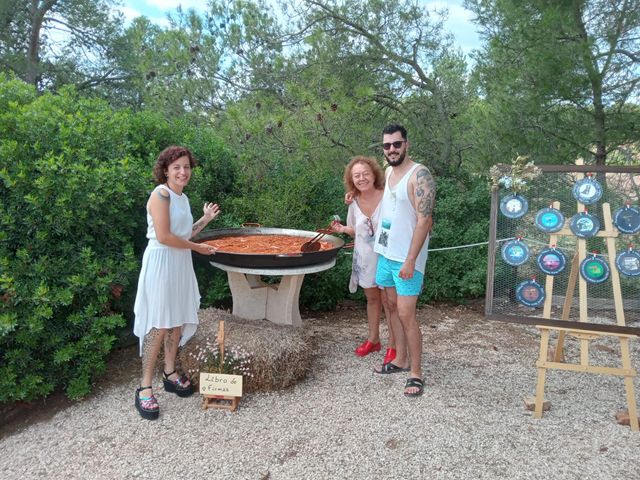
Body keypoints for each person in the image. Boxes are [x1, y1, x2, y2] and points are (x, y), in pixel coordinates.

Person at [133, 146, 220, 420]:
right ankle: (144, 387)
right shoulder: (161, 194)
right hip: (162, 263)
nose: (183, 172)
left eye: (186, 167)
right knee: (158, 324)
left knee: (176, 321)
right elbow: (165, 236)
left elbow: (184, 232)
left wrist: (204, 220)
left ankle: (169, 372)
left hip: (180, 263)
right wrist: (198, 248)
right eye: (176, 167)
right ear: (165, 171)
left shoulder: (183, 198)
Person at [373, 124, 435, 398]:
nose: (392, 150)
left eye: (396, 144)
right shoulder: (388, 172)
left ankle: (416, 373)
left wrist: (410, 260)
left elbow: (425, 220)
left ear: (406, 144)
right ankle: (400, 359)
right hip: (386, 253)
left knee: (407, 314)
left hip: (406, 259)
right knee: (390, 306)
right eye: (387, 146)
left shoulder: (419, 174)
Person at [331, 156, 396, 363]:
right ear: (351, 179)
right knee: (372, 299)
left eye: (365, 173)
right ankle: (373, 339)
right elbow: (355, 231)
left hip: (386, 256)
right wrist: (342, 229)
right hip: (365, 259)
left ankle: (394, 345)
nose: (362, 178)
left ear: (374, 173)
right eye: (357, 175)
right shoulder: (354, 202)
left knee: (389, 302)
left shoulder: (387, 196)